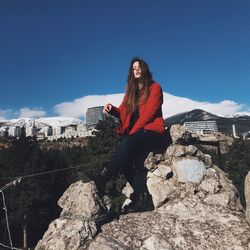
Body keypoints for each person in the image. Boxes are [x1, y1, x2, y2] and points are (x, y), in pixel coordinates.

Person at [98, 57, 166, 214]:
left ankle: (103, 177)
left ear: (145, 69)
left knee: (127, 143)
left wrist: (132, 134)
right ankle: (143, 198)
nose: (136, 69)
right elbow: (123, 111)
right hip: (138, 134)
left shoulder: (155, 88)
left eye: (139, 67)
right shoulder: (131, 93)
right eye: (133, 67)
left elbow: (148, 115)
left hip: (153, 132)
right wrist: (112, 109)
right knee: (126, 162)